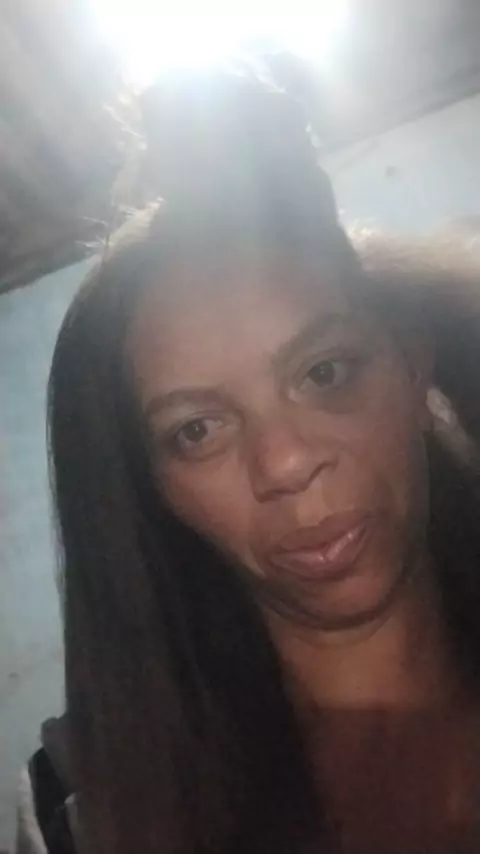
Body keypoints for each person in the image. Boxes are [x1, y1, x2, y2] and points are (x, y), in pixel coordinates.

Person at [35, 72, 480, 854]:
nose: (287, 461)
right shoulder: (106, 817)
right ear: (153, 490)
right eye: (198, 430)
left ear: (413, 370)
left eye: (325, 372)